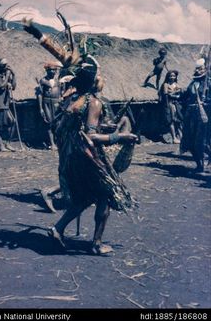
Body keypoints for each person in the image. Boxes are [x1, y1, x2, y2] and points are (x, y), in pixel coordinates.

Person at [23, 19, 138, 255]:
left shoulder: (70, 101)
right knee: (105, 195)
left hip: (73, 157)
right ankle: (96, 244)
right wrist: (120, 137)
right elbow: (91, 136)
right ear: (93, 80)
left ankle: (58, 229)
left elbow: (77, 130)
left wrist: (38, 33)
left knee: (85, 198)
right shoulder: (92, 102)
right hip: (88, 158)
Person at [180, 58, 211, 173]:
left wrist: (207, 102)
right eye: (197, 69)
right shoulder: (193, 83)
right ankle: (199, 164)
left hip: (205, 116)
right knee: (191, 141)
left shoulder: (209, 83)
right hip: (191, 115)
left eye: (201, 68)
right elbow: (186, 96)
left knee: (204, 141)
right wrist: (178, 94)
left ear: (205, 69)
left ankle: (203, 164)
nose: (198, 71)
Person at [36, 62, 62, 149]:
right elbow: (39, 95)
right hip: (47, 103)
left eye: (54, 70)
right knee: (49, 122)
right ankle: (52, 143)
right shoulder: (43, 81)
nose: (53, 72)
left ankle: (57, 141)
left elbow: (61, 93)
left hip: (57, 104)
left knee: (57, 123)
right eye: (51, 70)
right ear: (47, 71)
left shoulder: (58, 81)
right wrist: (41, 108)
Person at [158, 70, 183, 144]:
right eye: (171, 76)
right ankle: (174, 138)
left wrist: (174, 94)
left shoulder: (177, 84)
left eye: (174, 76)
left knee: (178, 121)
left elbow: (181, 93)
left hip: (176, 104)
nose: (172, 77)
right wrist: (175, 93)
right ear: (168, 77)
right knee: (171, 121)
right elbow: (166, 94)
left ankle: (181, 137)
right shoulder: (166, 85)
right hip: (169, 104)